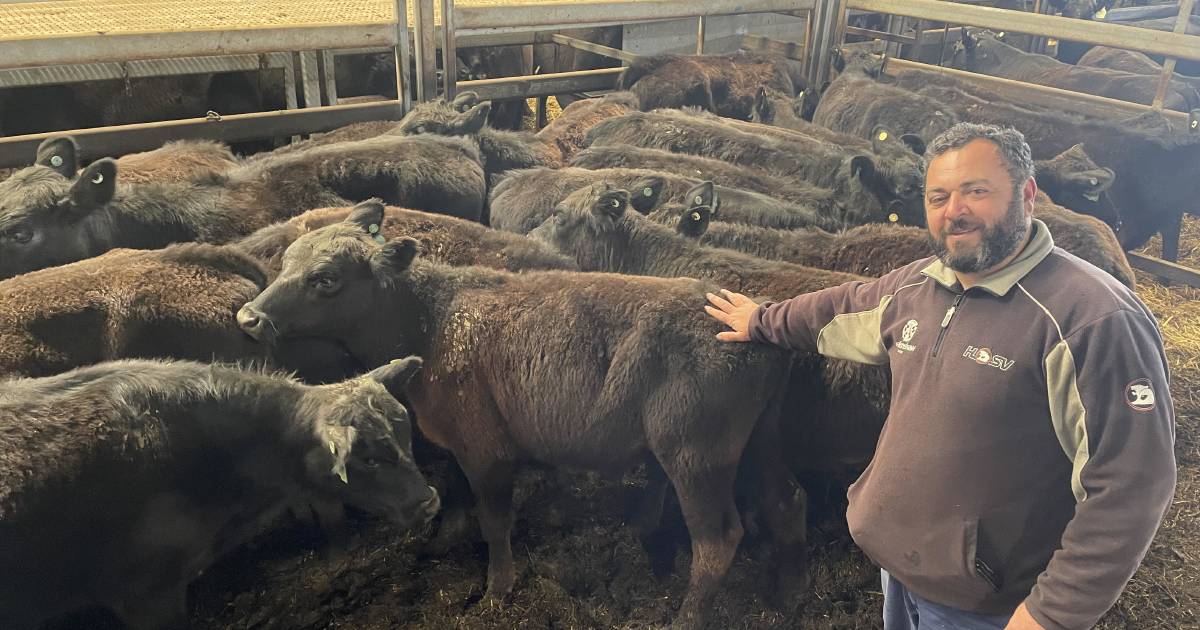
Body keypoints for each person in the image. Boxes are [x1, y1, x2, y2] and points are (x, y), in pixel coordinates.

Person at [704, 123, 1176, 630]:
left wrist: (1051, 614)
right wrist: (761, 320)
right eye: (939, 196)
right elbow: (842, 308)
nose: (955, 211)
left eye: (976, 191)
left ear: (1028, 195)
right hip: (900, 572)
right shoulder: (923, 285)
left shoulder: (1090, 319)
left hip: (988, 606)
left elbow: (1132, 482)